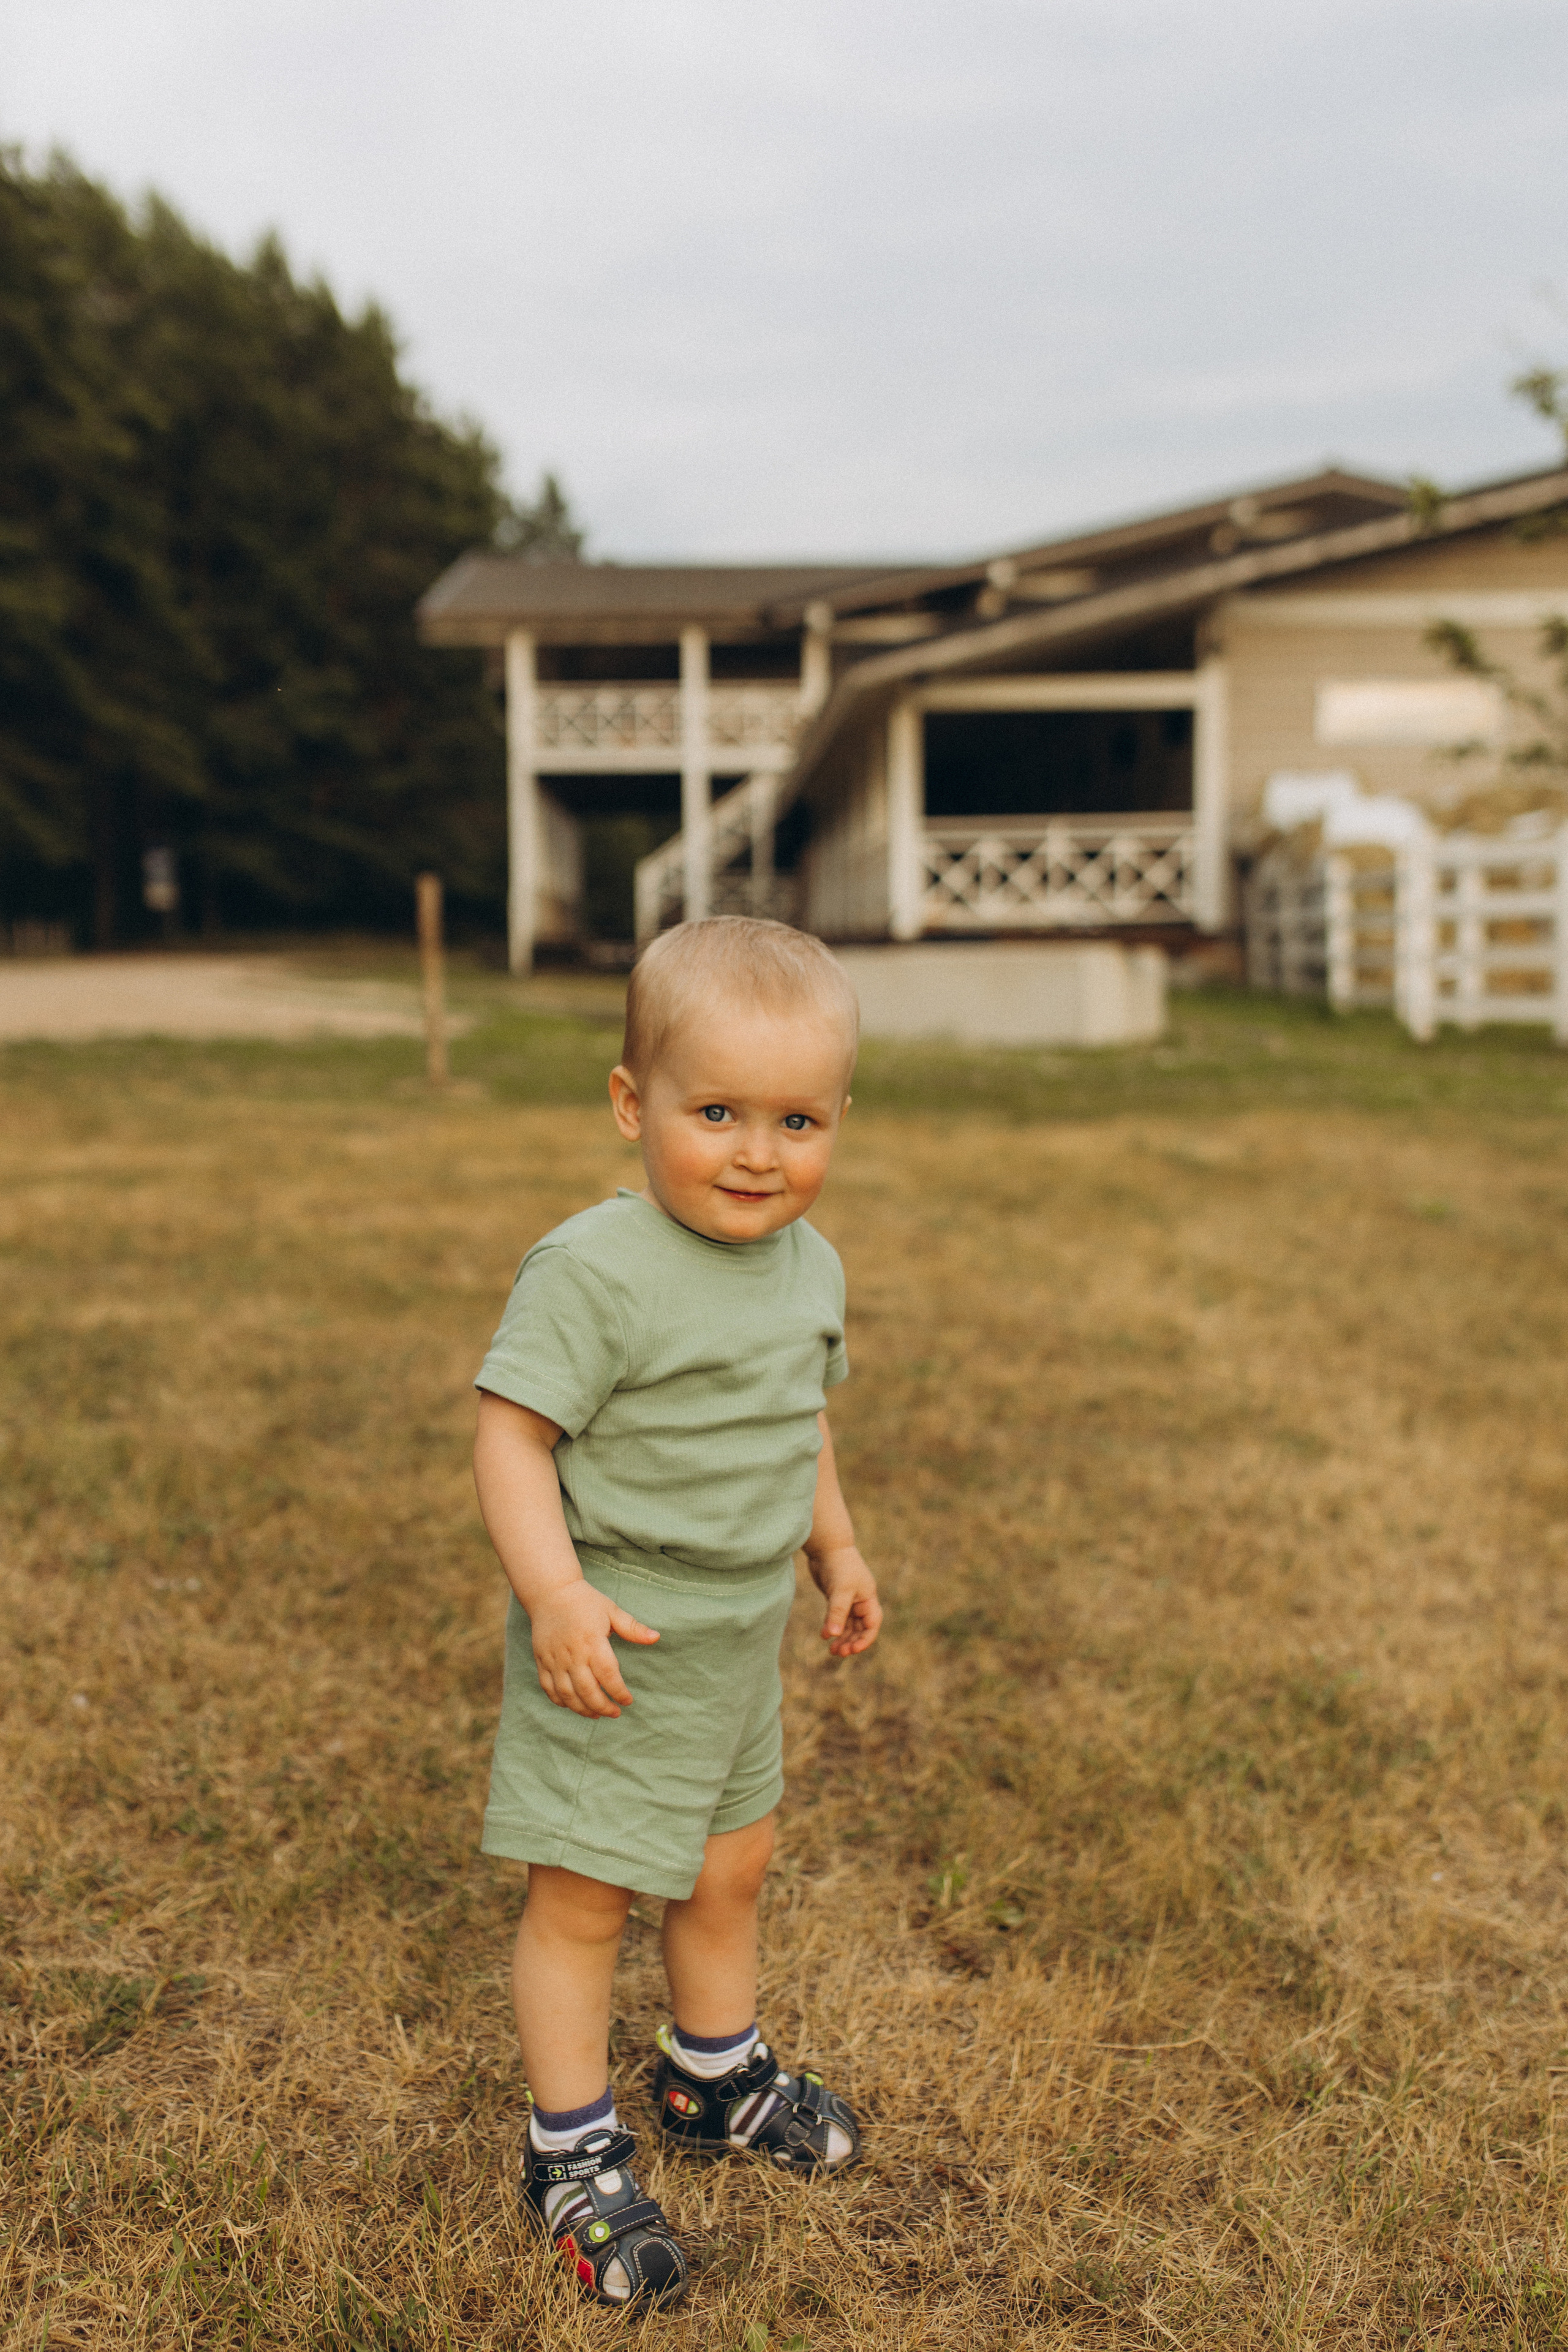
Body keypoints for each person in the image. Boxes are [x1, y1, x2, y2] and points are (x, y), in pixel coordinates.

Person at [471, 916, 882, 2311]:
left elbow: (796, 1419)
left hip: (737, 1637)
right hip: (619, 1639)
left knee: (727, 1871)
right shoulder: (594, 1268)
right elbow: (510, 1437)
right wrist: (556, 1594)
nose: (758, 1153)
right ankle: (570, 2149)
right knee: (585, 1897)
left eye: (795, 1119)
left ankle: (711, 2075)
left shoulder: (807, 1264)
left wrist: (835, 1549)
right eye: (715, 1113)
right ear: (630, 1104)